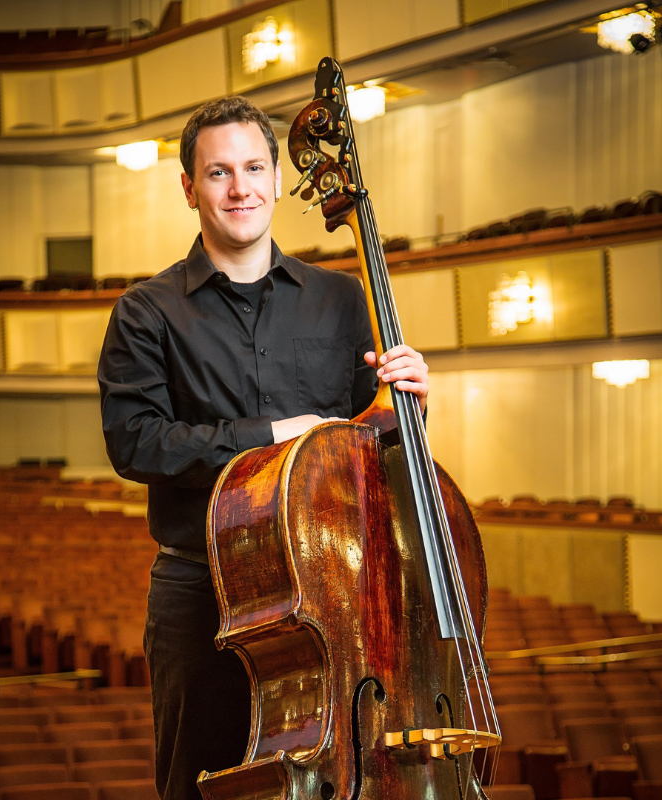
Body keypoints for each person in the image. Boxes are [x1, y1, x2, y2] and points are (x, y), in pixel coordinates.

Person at [97, 96, 430, 800]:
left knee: (333, 771)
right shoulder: (146, 310)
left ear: (279, 179)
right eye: (218, 173)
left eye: (253, 168)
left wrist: (406, 411)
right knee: (203, 778)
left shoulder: (340, 299)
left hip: (331, 585)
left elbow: (361, 451)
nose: (240, 188)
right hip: (204, 589)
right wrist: (271, 436)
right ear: (189, 188)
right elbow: (136, 444)